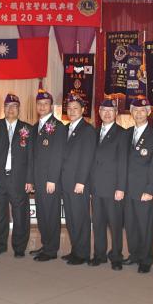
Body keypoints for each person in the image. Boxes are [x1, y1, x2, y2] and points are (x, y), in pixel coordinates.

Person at [0, 94, 33, 258]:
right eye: (8, 106)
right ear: (4, 108)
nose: (11, 109)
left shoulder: (27, 129)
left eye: (14, 106)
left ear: (19, 109)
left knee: (20, 215)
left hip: (19, 179)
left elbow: (31, 157)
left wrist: (30, 179)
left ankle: (19, 247)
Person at [123, 97, 153, 273]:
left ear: (148, 112)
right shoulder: (126, 133)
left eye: (142, 110)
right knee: (130, 224)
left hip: (143, 190)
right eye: (135, 110)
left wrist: (150, 190)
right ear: (131, 112)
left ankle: (146, 259)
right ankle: (134, 254)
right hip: (127, 188)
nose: (138, 113)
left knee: (144, 226)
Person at [90, 98, 128, 270]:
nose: (107, 113)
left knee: (115, 225)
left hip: (113, 188)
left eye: (110, 111)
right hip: (96, 187)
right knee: (98, 223)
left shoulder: (122, 133)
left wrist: (120, 188)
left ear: (116, 113)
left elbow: (123, 162)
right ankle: (99, 255)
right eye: (104, 110)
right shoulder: (94, 132)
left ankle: (116, 257)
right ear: (99, 113)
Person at [30, 87, 67, 262]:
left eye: (46, 103)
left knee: (51, 214)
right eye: (40, 103)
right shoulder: (35, 127)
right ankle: (46, 244)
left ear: (51, 106)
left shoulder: (58, 127)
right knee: (42, 214)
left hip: (50, 181)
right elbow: (33, 156)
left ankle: (52, 249)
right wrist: (31, 179)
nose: (43, 106)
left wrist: (52, 179)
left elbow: (58, 155)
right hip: (38, 180)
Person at [60, 92, 96, 266]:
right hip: (66, 182)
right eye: (69, 108)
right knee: (71, 218)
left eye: (76, 108)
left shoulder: (87, 130)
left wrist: (81, 181)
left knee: (80, 218)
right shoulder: (66, 128)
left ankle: (82, 254)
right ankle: (75, 249)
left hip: (78, 183)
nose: (72, 111)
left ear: (83, 110)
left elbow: (87, 158)